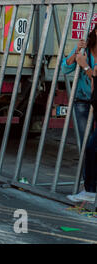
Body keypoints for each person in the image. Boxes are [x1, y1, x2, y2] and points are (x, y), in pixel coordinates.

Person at [66, 26, 97, 203]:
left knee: (92, 146)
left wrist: (84, 65)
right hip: (83, 100)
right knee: (87, 145)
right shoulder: (85, 48)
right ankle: (89, 187)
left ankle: (90, 189)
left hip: (95, 101)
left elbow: (94, 74)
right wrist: (76, 53)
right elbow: (65, 67)